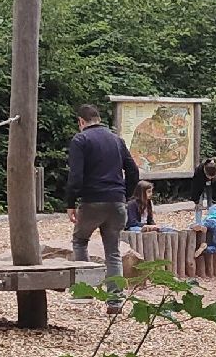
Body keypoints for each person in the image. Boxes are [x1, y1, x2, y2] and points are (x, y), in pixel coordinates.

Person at [65, 104, 140, 315]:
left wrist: (70, 202)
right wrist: (125, 195)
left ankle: (84, 291)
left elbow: (76, 176)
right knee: (113, 251)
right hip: (117, 201)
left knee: (80, 240)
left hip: (92, 200)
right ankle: (115, 301)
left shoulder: (80, 140)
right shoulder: (117, 140)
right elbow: (133, 171)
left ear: (81, 121)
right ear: (98, 119)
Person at [191, 159, 216, 227]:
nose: (210, 178)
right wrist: (196, 201)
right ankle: (198, 223)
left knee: (211, 204)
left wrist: (215, 199)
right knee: (199, 205)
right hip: (200, 184)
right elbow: (195, 187)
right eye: (209, 176)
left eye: (212, 177)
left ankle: (212, 221)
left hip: (212, 186)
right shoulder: (199, 171)